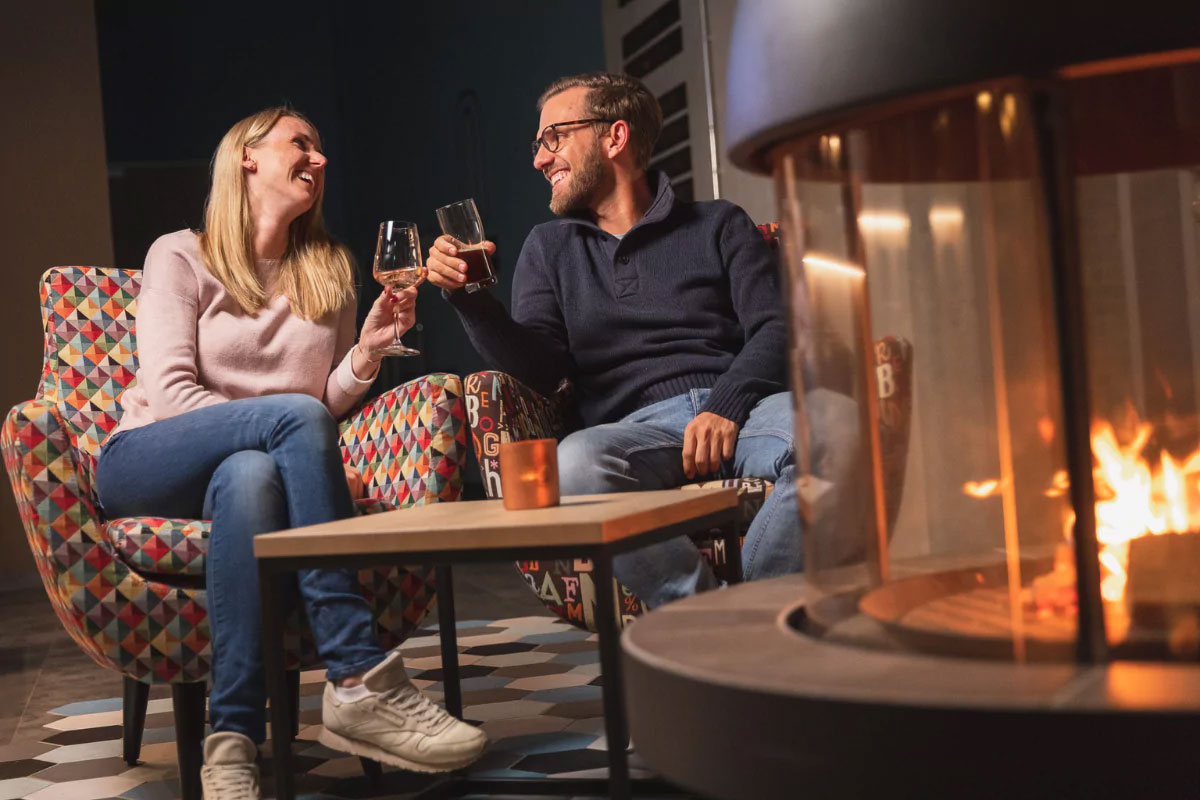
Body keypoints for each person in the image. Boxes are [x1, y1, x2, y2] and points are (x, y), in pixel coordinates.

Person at [95, 107, 486, 800]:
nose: (320, 159)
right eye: (300, 143)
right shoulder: (178, 253)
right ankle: (358, 672)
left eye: (322, 148)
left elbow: (320, 402)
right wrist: (285, 429)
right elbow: (177, 397)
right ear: (246, 157)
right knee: (283, 434)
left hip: (250, 473)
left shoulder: (327, 269)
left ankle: (232, 743)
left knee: (250, 479)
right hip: (148, 461)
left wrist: (364, 354)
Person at [427, 73, 856, 609]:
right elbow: (541, 368)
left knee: (839, 426)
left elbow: (776, 326)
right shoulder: (550, 248)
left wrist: (726, 406)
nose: (539, 159)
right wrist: (470, 298)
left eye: (554, 137)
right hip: (635, 433)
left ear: (614, 137)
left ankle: (762, 616)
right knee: (577, 466)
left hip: (748, 412)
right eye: (538, 144)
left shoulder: (720, 223)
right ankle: (707, 619)